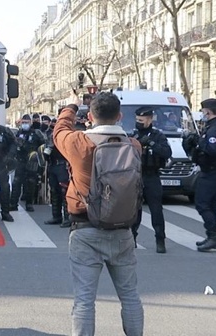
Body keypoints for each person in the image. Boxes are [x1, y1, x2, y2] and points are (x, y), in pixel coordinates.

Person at [54, 92, 144, 335]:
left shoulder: (79, 143)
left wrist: (72, 104)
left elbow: (59, 130)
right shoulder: (134, 146)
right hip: (123, 229)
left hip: (86, 229)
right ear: (120, 116)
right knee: (130, 297)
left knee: (84, 300)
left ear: (90, 116)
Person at [183, 98, 216, 252]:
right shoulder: (214, 127)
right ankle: (212, 237)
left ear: (207, 111)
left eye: (203, 111)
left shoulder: (214, 129)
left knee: (202, 203)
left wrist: (200, 143)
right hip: (213, 171)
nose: (202, 114)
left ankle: (212, 236)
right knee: (211, 204)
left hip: (211, 172)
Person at [130, 108, 172, 253]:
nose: (138, 123)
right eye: (137, 120)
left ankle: (160, 240)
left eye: (141, 120)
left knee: (156, 210)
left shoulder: (157, 135)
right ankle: (132, 238)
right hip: (136, 175)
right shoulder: (133, 135)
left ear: (149, 119)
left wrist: (152, 144)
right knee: (134, 210)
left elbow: (167, 152)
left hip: (152, 175)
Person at [10, 114, 45, 212]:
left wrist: (39, 158)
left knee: (31, 183)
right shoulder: (18, 133)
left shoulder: (36, 133)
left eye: (27, 122)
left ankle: (29, 204)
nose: (25, 124)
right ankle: (13, 204)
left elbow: (42, 146)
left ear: (30, 123)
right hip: (20, 161)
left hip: (32, 162)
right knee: (16, 183)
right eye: (23, 122)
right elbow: (14, 147)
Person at [44, 113, 71, 227]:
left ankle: (68, 218)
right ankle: (56, 216)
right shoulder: (52, 135)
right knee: (54, 192)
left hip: (63, 166)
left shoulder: (67, 135)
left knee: (64, 192)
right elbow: (46, 150)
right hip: (53, 165)